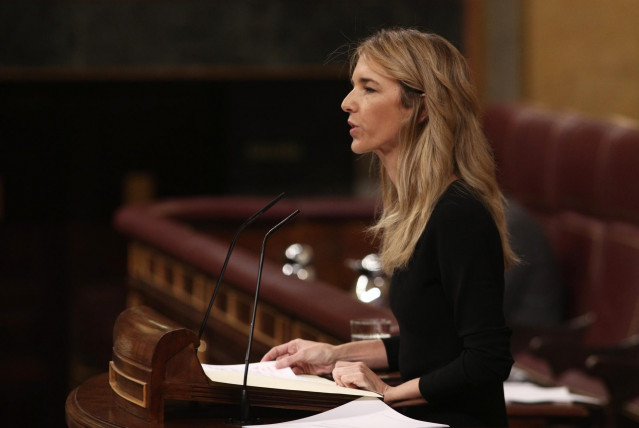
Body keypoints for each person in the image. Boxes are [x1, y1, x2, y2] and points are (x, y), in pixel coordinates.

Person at [262, 28, 517, 427]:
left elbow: (487, 360)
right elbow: (430, 346)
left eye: (369, 89)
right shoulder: (416, 209)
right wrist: (334, 355)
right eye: (353, 87)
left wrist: (387, 393)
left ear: (421, 107)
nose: (347, 103)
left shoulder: (458, 214)